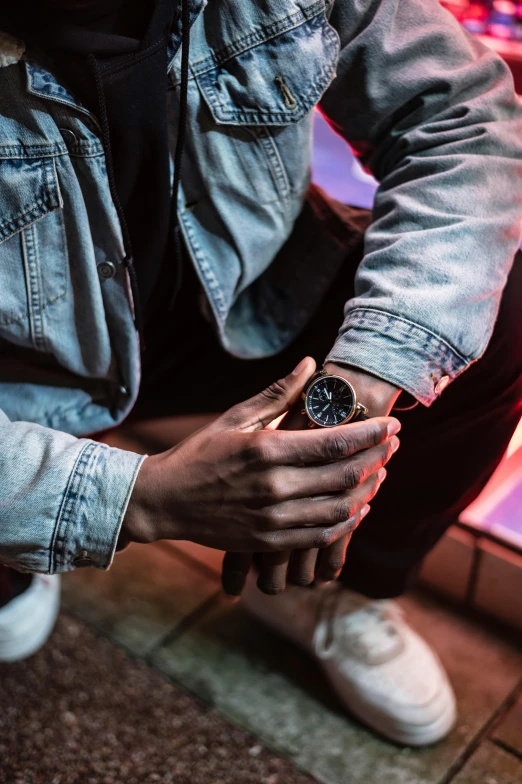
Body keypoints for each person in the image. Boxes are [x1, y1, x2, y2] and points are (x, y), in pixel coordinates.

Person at [0, 0, 521, 748]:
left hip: (251, 303)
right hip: (30, 373)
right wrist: (130, 500)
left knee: (494, 307)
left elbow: (463, 118)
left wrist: (369, 371)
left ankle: (333, 592)